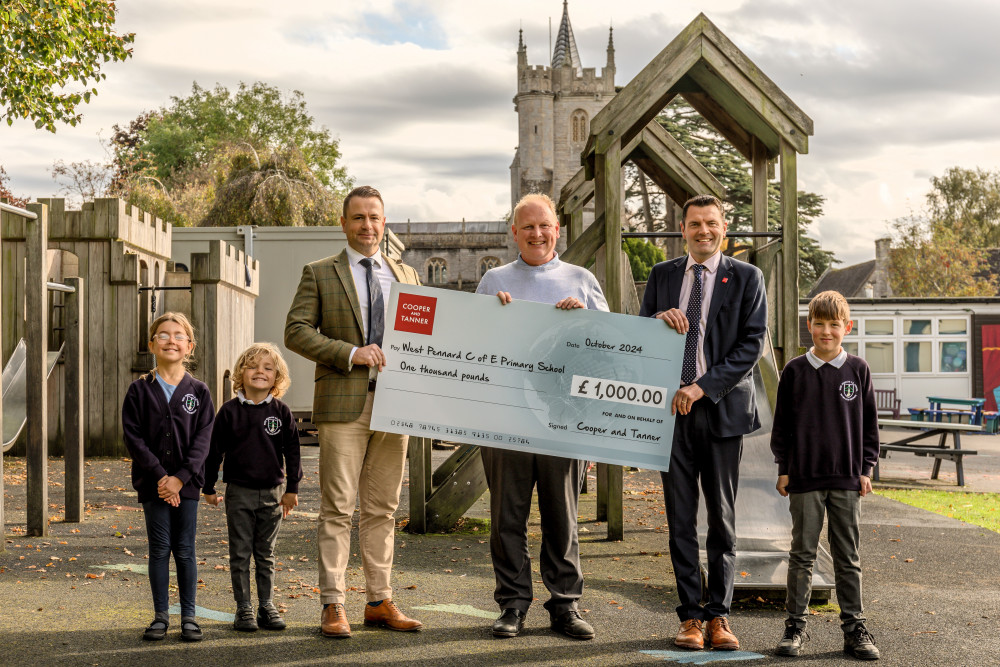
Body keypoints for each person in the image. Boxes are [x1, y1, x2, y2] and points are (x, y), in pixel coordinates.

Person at [285, 185, 423, 638]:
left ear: (385, 225)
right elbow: (296, 331)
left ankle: (379, 601)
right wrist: (350, 352)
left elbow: (430, 341)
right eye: (359, 217)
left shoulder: (408, 275)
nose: (367, 225)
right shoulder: (319, 272)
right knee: (338, 508)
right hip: (345, 402)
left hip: (396, 404)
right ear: (344, 224)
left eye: (375, 218)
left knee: (383, 508)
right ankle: (333, 604)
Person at [476, 193, 608, 641]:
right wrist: (492, 319)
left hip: (563, 418)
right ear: (513, 233)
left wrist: (584, 319)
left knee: (562, 516)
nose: (536, 234)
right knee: (506, 518)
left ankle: (565, 606)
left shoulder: (581, 279)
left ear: (558, 231)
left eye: (544, 226)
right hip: (506, 419)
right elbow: (472, 350)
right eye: (527, 226)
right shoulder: (493, 281)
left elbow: (609, 349)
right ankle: (512, 605)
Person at [639, 194, 766, 651]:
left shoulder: (747, 277)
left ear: (723, 228)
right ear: (683, 228)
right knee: (679, 520)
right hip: (670, 413)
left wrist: (702, 386)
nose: (703, 231)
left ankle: (720, 617)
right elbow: (639, 337)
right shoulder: (662, 276)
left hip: (720, 410)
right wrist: (656, 321)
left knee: (722, 520)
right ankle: (690, 616)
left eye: (711, 223)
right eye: (695, 224)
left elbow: (750, 347)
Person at [770, 290, 880, 660]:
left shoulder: (858, 370)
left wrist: (866, 469)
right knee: (802, 554)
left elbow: (870, 429)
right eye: (820, 324)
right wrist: (783, 468)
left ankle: (854, 629)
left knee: (847, 555)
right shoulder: (795, 371)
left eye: (835, 324)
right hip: (803, 478)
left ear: (847, 327)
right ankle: (795, 627)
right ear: (809, 326)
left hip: (847, 479)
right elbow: (782, 426)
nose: (827, 331)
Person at [122, 312, 215, 642]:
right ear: (152, 345)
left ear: (189, 346)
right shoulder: (138, 390)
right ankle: (161, 616)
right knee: (160, 548)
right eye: (163, 335)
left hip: (187, 486)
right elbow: (134, 438)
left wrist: (181, 478)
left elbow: (204, 439)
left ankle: (189, 616)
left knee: (185, 549)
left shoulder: (200, 391)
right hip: (153, 485)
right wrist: (163, 478)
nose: (171, 340)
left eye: (178, 335)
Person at [203, 342, 303, 633]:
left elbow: (293, 452)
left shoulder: (282, 412)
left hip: (273, 493)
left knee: (266, 554)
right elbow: (214, 451)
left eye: (268, 368)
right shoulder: (229, 412)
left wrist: (292, 489)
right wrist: (208, 486)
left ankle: (266, 606)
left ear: (276, 378)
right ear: (241, 373)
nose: (260, 371)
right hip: (238, 493)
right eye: (253, 366)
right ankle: (244, 608)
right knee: (240, 553)